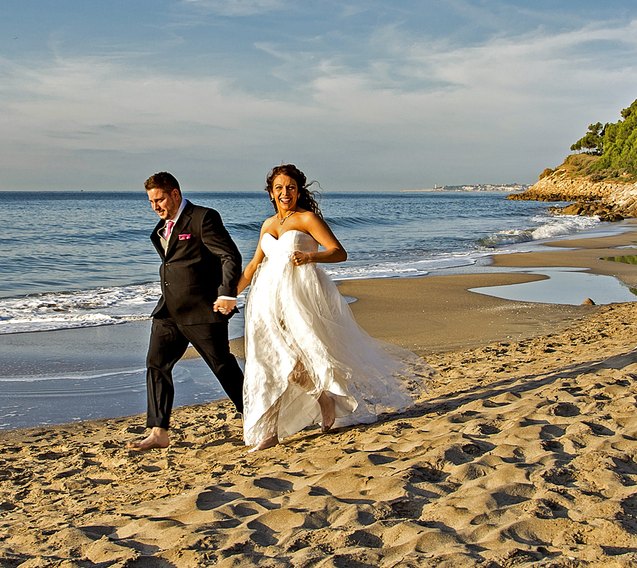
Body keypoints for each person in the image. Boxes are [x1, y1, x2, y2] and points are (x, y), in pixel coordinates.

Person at [234, 164, 424, 452]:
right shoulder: (268, 224)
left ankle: (323, 401)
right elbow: (252, 267)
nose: (285, 193)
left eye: (290, 187)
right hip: (267, 301)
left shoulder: (308, 219)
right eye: (279, 188)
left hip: (299, 298)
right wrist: (228, 296)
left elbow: (339, 252)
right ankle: (271, 432)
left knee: (294, 363)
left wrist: (310, 257)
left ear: (299, 191)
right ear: (271, 193)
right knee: (268, 361)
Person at [129, 172, 245, 451]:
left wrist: (226, 294)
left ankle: (253, 414)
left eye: (159, 200)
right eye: (151, 201)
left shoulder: (203, 218)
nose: (155, 206)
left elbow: (230, 256)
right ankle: (159, 431)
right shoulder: (161, 228)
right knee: (156, 364)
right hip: (168, 310)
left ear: (175, 194)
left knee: (222, 365)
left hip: (202, 310)